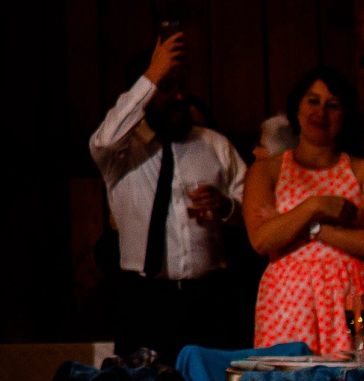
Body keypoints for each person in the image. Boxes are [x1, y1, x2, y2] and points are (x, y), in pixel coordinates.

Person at [88, 24, 249, 356]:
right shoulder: (121, 152)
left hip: (209, 299)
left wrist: (226, 207)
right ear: (143, 94)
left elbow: (252, 213)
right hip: (143, 298)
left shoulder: (213, 145)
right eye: (166, 87)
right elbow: (101, 140)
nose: (179, 97)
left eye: (181, 86)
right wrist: (151, 76)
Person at [243, 66, 364, 351]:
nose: (321, 112)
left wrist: (309, 227)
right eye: (312, 101)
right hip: (289, 299)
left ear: (345, 115)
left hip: (351, 297)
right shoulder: (266, 171)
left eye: (332, 105)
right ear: (296, 109)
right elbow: (262, 240)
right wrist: (315, 205)